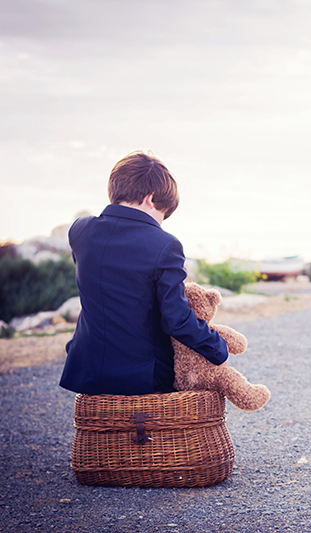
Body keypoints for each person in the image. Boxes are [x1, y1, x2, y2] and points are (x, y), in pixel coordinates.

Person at [59, 151, 229, 395]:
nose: (160, 224)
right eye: (162, 215)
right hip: (142, 376)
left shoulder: (80, 230)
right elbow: (176, 319)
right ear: (151, 198)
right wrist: (216, 346)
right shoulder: (165, 245)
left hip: (86, 368)